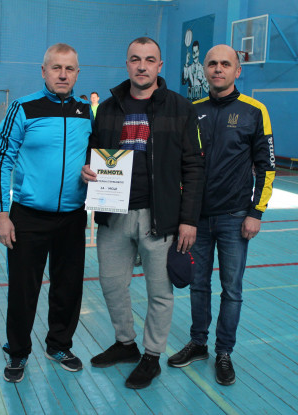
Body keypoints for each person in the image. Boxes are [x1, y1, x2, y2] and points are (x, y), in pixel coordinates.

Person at [81, 37, 204, 389]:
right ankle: (125, 343)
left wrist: (188, 220)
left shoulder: (180, 108)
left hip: (159, 216)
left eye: (149, 60)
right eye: (135, 59)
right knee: (111, 284)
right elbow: (93, 153)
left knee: (160, 292)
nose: (142, 66)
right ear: (127, 64)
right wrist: (87, 170)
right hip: (115, 215)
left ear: (159, 66)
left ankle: (151, 355)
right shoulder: (107, 109)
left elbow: (194, 168)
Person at [167, 44, 276, 386]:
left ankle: (224, 352)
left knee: (232, 290)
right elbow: (180, 164)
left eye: (225, 64)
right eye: (212, 63)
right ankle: (198, 343)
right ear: (204, 70)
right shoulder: (192, 110)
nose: (218, 69)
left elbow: (267, 167)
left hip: (235, 218)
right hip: (196, 220)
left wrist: (256, 212)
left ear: (237, 71)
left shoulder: (255, 111)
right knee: (198, 285)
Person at [0, 43, 91, 383]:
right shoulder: (23, 108)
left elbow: (94, 156)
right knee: (23, 289)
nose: (63, 74)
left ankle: (59, 345)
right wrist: (2, 214)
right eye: (56, 68)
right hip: (29, 216)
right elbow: (2, 161)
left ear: (77, 73)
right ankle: (18, 352)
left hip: (73, 216)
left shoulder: (86, 112)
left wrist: (90, 171)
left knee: (68, 287)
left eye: (69, 68)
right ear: (44, 71)